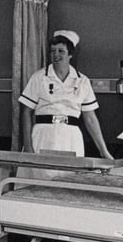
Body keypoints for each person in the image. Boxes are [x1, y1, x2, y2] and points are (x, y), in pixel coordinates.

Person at [18, 30, 113, 173]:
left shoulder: (82, 81)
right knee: (38, 181)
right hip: (43, 135)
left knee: (68, 182)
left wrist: (104, 152)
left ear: (70, 54)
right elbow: (26, 112)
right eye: (53, 51)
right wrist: (28, 147)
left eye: (61, 51)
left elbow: (91, 119)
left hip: (70, 138)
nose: (56, 55)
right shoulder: (39, 78)